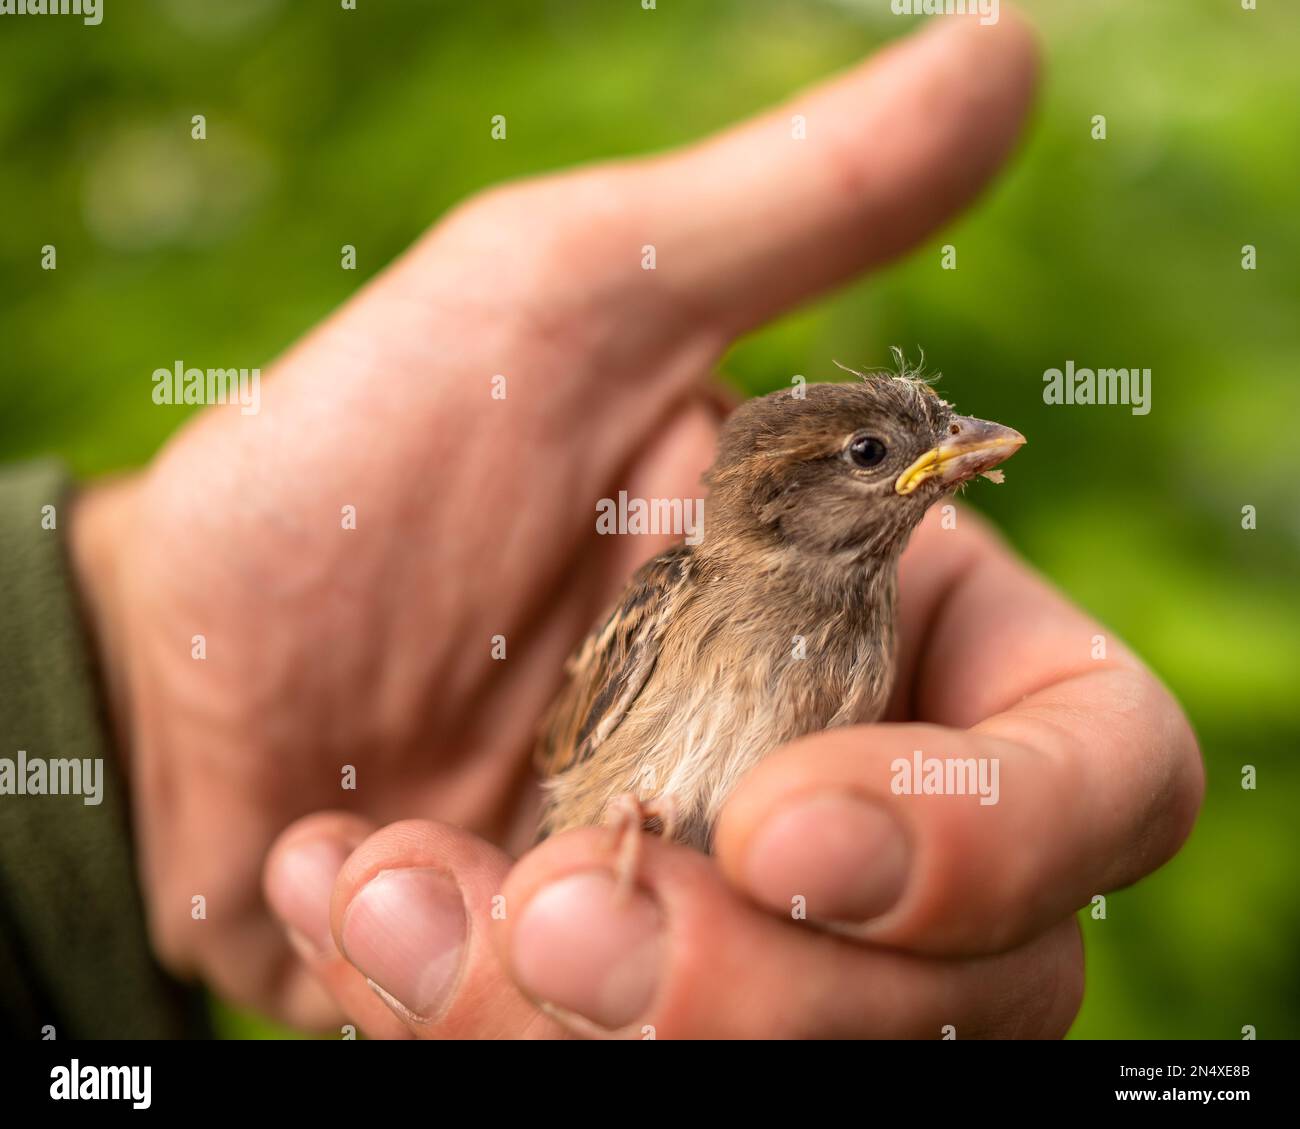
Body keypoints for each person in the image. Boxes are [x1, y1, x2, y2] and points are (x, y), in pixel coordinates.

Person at [1, 12, 1201, 1039]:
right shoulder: (681, 586)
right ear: (780, 498)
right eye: (871, 456)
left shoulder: (877, 619)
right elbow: (569, 758)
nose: (929, 461)